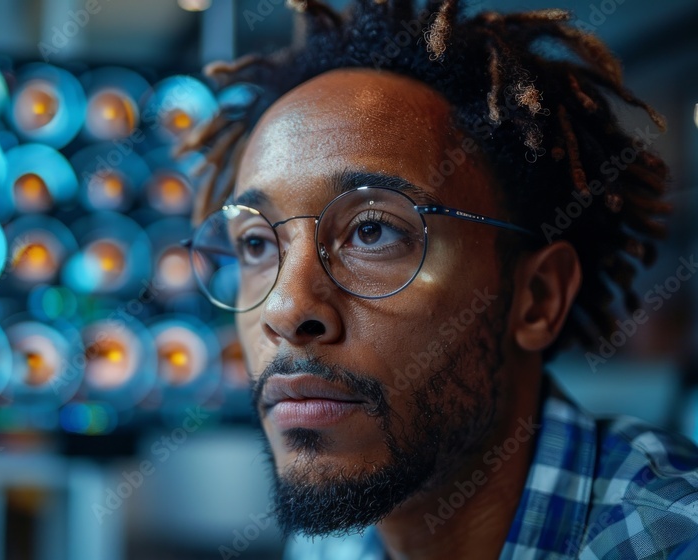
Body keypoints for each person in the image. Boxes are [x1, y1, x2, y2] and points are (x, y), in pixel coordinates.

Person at [179, 0, 698, 557]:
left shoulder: (668, 538)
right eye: (257, 245)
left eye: (372, 231)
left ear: (537, 298)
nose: (285, 310)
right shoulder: (333, 541)